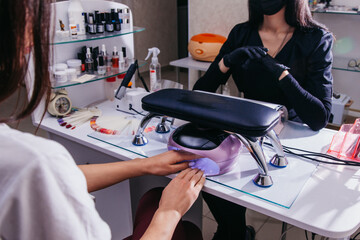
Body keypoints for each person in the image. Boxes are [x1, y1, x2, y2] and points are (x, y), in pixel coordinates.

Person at [0, 0, 205, 239]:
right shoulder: (35, 161)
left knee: (153, 197)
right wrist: (169, 213)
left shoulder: (32, 165)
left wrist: (144, 165)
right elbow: (45, 174)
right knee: (181, 224)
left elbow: (60, 176)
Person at [193, 0, 334, 239]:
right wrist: (227, 62)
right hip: (246, 128)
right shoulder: (241, 33)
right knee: (213, 175)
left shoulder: (316, 38)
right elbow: (199, 93)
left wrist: (282, 74)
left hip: (291, 134)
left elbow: (319, 117)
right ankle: (234, 231)